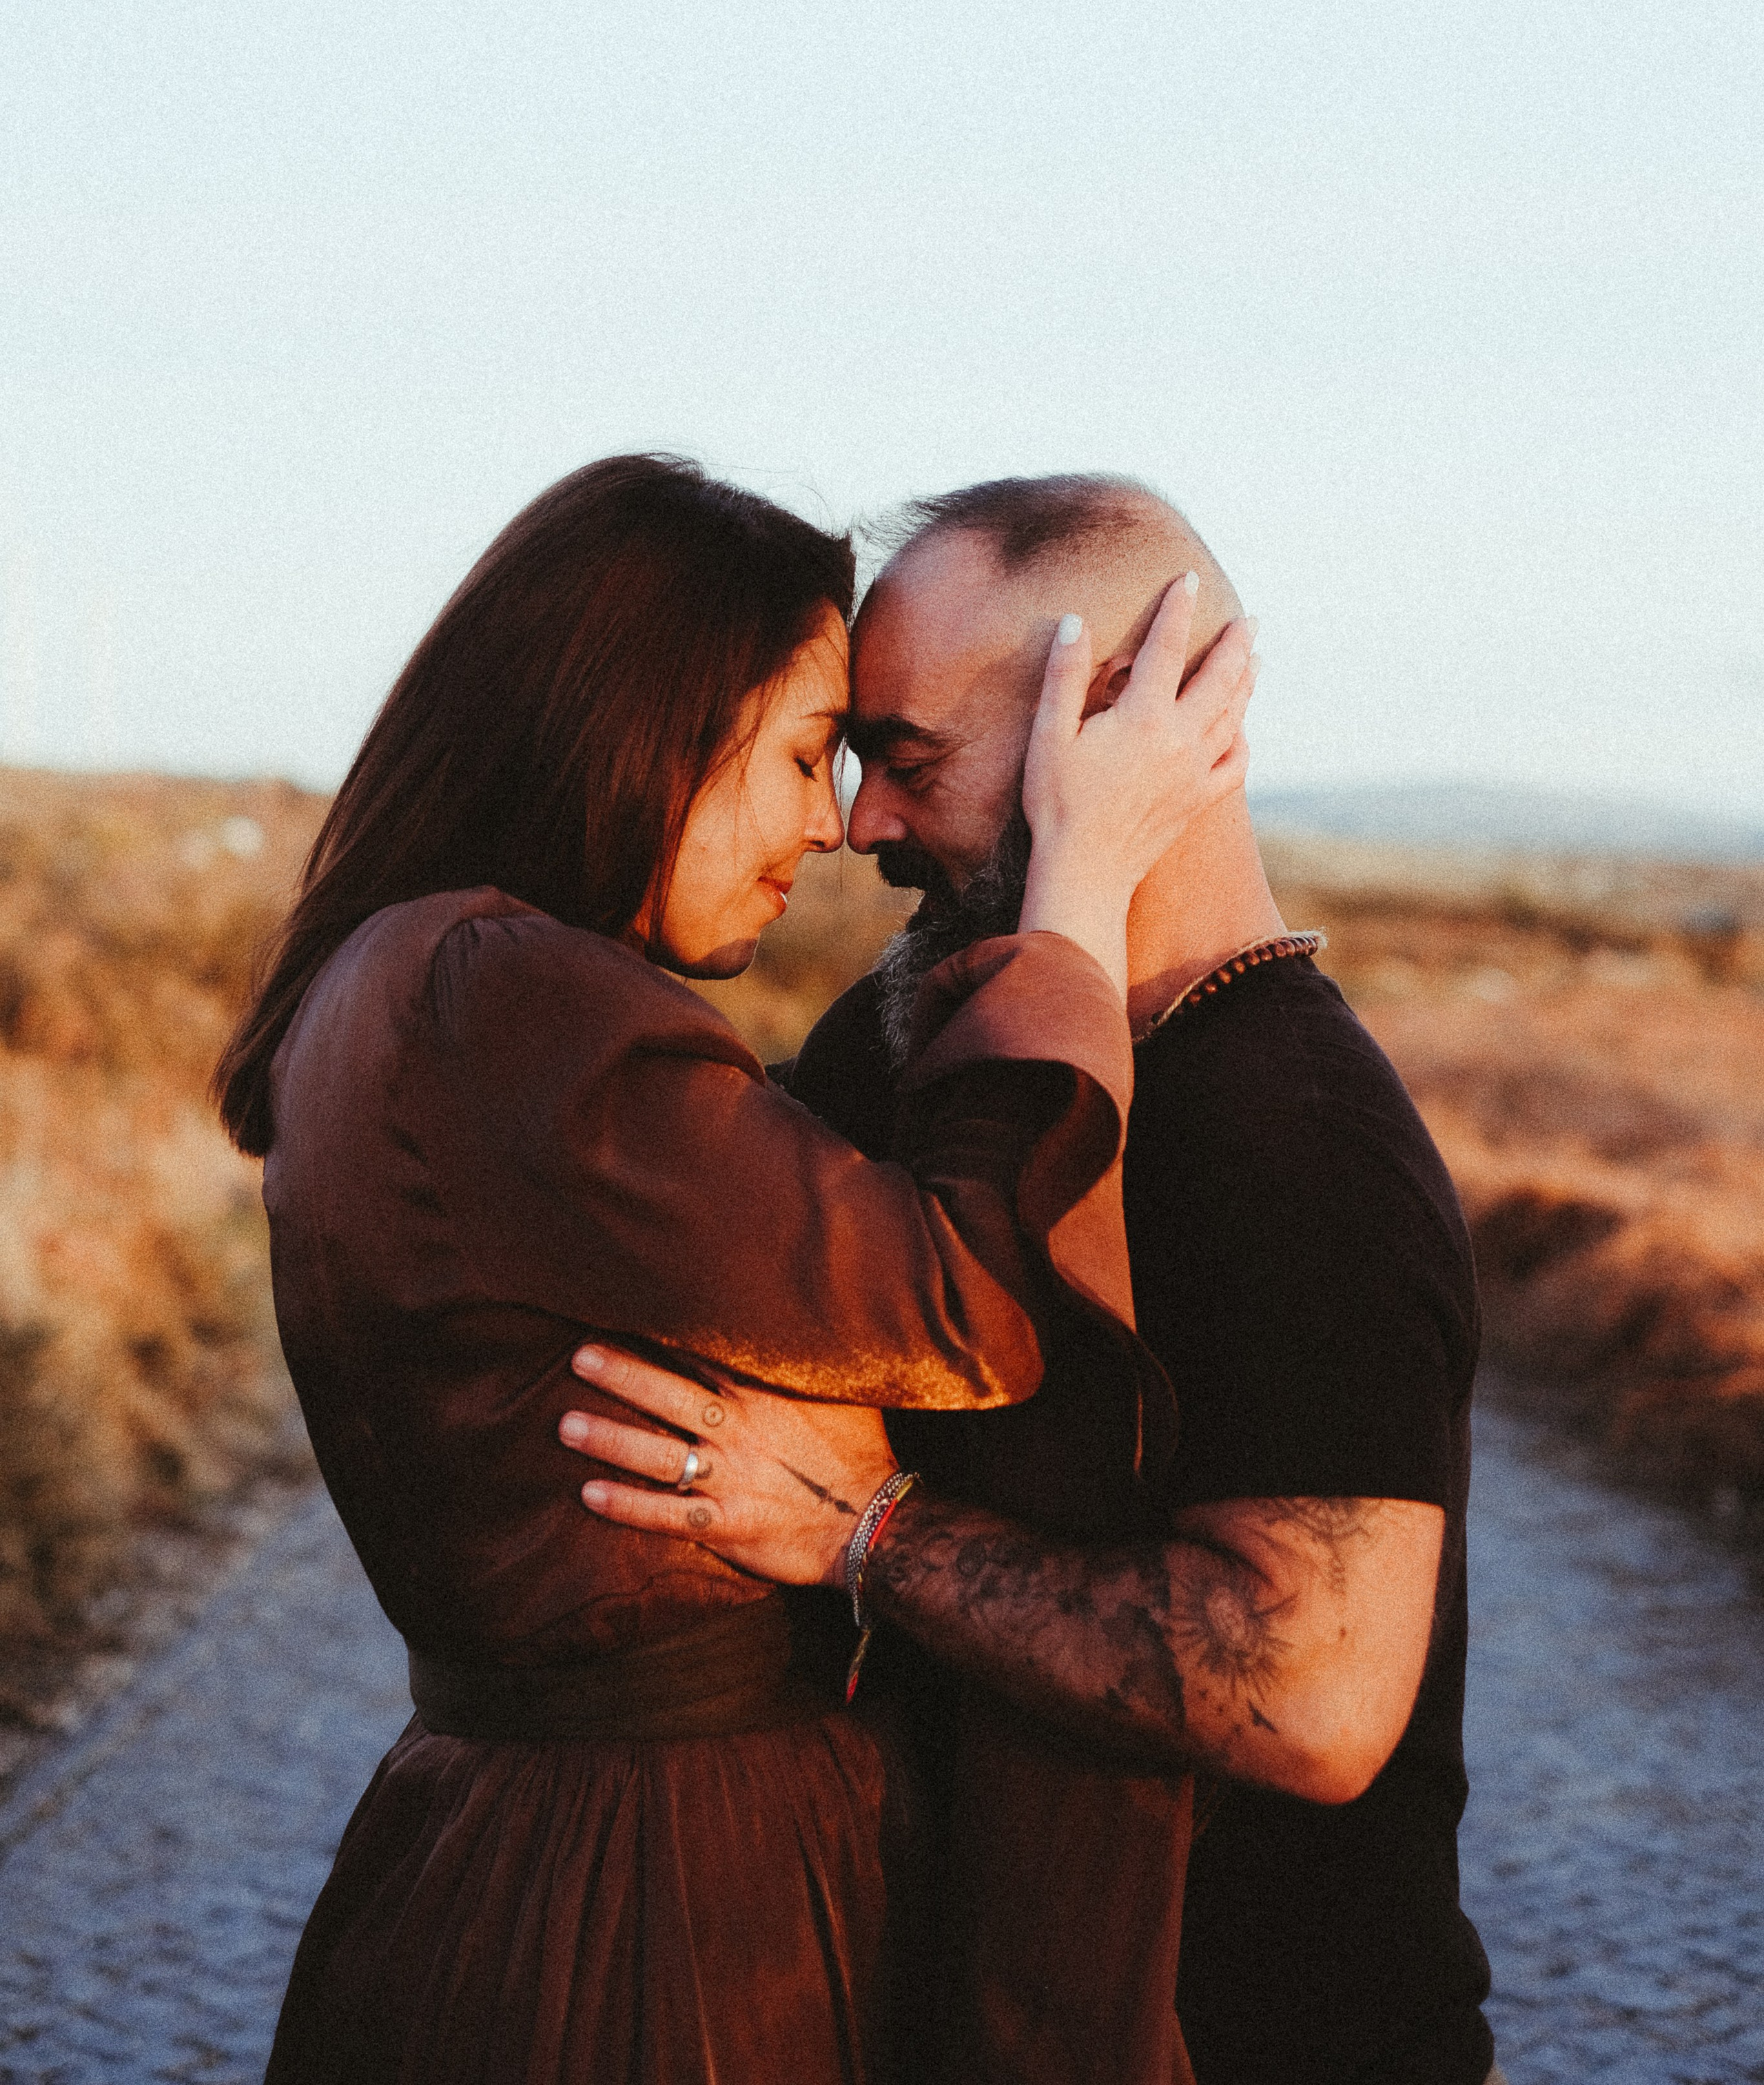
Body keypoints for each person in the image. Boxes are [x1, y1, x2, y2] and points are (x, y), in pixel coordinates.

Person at [213, 453, 1255, 2085]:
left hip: (534, 1845)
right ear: (641, 720)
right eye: (794, 754)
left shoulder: (407, 976)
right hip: (655, 1901)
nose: (829, 827)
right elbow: (965, 1304)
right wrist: (1074, 896)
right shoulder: (506, 995)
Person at [559, 473, 1499, 2085]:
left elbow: (1308, 1694)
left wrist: (861, 1534)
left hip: (1269, 2043)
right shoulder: (910, 1037)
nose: (859, 825)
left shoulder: (1289, 1138)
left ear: (1121, 715)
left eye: (906, 760)